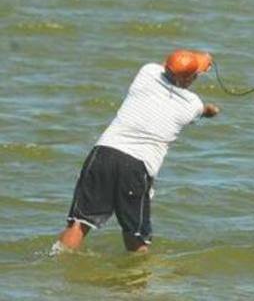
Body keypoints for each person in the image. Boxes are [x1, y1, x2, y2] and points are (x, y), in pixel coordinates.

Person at [56, 49, 220, 253]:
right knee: (137, 235)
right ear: (189, 80)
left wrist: (195, 61)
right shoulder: (192, 105)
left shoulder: (147, 72)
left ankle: (57, 267)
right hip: (136, 166)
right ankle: (137, 283)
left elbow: (168, 65)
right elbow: (202, 110)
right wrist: (210, 110)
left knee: (79, 223)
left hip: (103, 152)